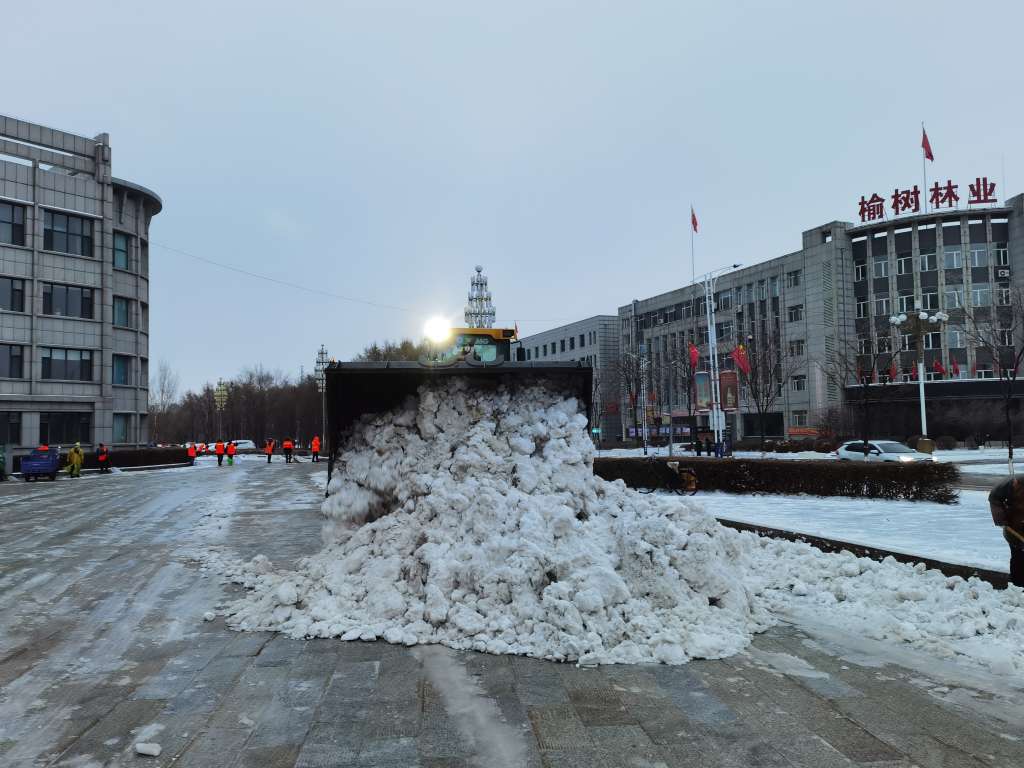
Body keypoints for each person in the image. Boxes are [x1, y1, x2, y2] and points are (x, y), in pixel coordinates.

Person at [988, 477, 1024, 587]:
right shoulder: (1016, 482)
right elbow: (994, 495)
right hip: (1015, 529)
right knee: (1019, 556)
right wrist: (1000, 517)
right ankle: (1018, 586)